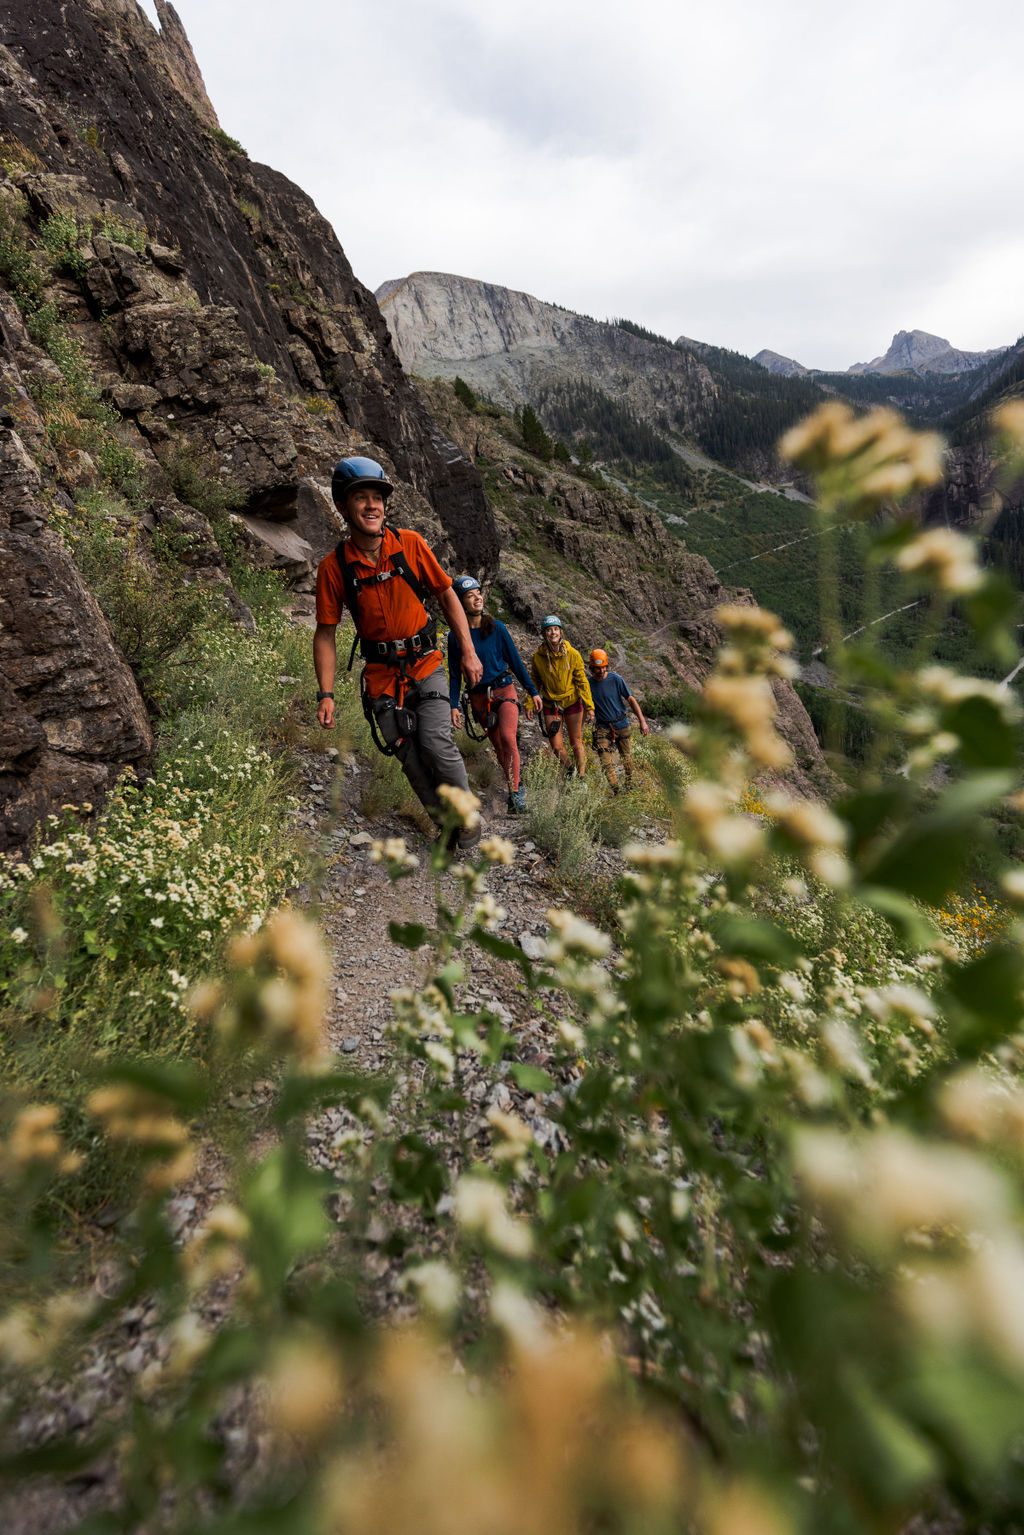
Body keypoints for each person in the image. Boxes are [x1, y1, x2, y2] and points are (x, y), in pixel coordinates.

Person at [313, 455, 483, 847]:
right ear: (342, 506)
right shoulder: (333, 568)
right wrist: (326, 693)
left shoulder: (410, 544)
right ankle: (446, 826)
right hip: (381, 677)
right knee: (410, 758)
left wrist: (468, 652)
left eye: (378, 498)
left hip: (426, 663)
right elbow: (325, 633)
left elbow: (446, 594)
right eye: (361, 498)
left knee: (435, 742)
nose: (372, 505)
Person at [447, 576, 542, 815]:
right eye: (470, 596)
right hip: (479, 698)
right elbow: (455, 674)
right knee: (499, 747)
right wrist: (453, 705)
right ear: (460, 603)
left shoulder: (497, 628)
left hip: (504, 689)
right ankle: (515, 785)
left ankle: (516, 793)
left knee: (508, 738)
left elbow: (516, 662)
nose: (477, 598)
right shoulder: (454, 637)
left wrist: (532, 691)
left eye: (478, 593)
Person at [529, 616, 594, 780]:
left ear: (560, 631)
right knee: (556, 746)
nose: (553, 633)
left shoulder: (572, 654)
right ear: (544, 633)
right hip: (551, 704)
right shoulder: (538, 656)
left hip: (572, 702)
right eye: (549, 630)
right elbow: (535, 680)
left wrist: (589, 706)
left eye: (556, 629)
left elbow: (582, 681)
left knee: (576, 742)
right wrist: (530, 702)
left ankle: (581, 778)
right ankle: (571, 770)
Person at [587, 648, 649, 794]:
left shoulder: (615, 679)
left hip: (622, 724)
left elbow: (631, 699)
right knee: (605, 762)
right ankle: (617, 791)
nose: (601, 671)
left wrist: (642, 721)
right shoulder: (588, 684)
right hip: (602, 727)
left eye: (603, 667)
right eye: (598, 668)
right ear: (592, 668)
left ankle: (629, 784)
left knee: (627, 758)